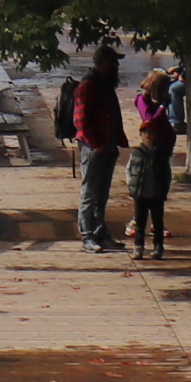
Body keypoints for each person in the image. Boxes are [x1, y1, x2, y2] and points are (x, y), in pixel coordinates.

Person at [60, 43, 125, 252]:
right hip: (93, 148)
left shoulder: (105, 85)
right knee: (90, 192)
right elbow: (80, 120)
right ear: (104, 63)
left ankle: (100, 233)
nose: (116, 66)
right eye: (113, 62)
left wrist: (116, 141)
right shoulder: (88, 86)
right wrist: (96, 145)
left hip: (109, 146)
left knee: (102, 194)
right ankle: (87, 235)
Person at [126, 65, 176, 259]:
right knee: (142, 209)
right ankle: (139, 238)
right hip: (155, 144)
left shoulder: (154, 101)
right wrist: (162, 107)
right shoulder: (142, 99)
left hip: (163, 146)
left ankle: (157, 242)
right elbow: (149, 119)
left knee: (158, 181)